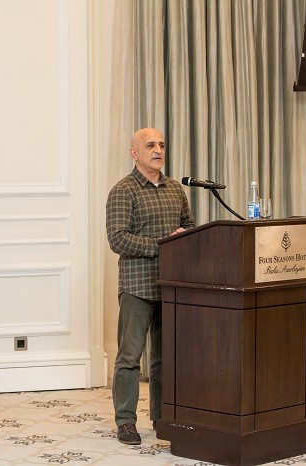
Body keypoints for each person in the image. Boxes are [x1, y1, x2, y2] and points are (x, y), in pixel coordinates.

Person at [106, 128, 195, 445]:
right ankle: (125, 422)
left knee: (164, 358)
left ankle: (162, 417)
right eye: (150, 145)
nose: (158, 150)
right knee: (130, 357)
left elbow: (189, 226)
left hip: (171, 285)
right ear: (134, 153)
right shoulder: (123, 190)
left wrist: (184, 236)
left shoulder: (175, 188)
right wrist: (162, 245)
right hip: (137, 286)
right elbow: (118, 239)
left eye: (161, 145)